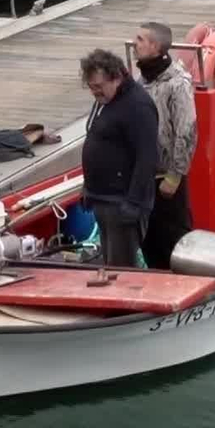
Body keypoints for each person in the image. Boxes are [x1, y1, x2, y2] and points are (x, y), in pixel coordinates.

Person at [79, 49, 159, 268]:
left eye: (98, 87)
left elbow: (148, 156)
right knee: (109, 261)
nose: (94, 93)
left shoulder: (137, 106)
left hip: (121, 202)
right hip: (102, 198)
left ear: (116, 77)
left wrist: (135, 202)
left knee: (121, 268)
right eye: (91, 87)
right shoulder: (107, 100)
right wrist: (89, 187)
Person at [133, 22, 197, 270]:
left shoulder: (177, 83)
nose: (134, 44)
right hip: (144, 176)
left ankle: (184, 285)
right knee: (148, 239)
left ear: (155, 46)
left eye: (140, 39)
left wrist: (175, 175)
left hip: (166, 179)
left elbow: (187, 130)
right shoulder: (142, 81)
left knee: (174, 236)